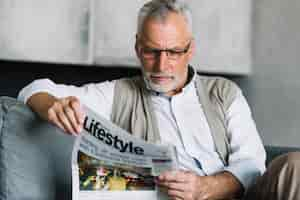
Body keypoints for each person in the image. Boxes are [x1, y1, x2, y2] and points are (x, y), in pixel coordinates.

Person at [18, 0, 300, 199]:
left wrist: (206, 188)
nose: (162, 65)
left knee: (294, 167)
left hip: (234, 196)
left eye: (174, 52)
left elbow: (251, 163)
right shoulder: (119, 93)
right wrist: (52, 104)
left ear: (190, 49)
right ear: (138, 48)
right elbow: (35, 87)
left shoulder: (224, 93)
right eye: (152, 51)